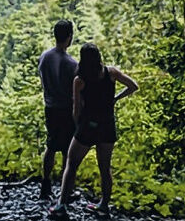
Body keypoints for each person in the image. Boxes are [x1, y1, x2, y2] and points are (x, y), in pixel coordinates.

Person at [49, 43, 138, 218]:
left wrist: (77, 126)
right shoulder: (111, 73)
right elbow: (133, 86)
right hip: (107, 125)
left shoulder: (79, 80)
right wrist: (115, 99)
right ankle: (104, 205)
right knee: (105, 168)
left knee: (72, 164)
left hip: (87, 127)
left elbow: (76, 108)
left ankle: (61, 205)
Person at [38, 20, 78, 199]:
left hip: (50, 107)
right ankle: (65, 190)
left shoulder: (45, 57)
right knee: (67, 151)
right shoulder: (71, 63)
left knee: (51, 146)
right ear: (69, 37)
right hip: (66, 110)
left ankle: (45, 184)